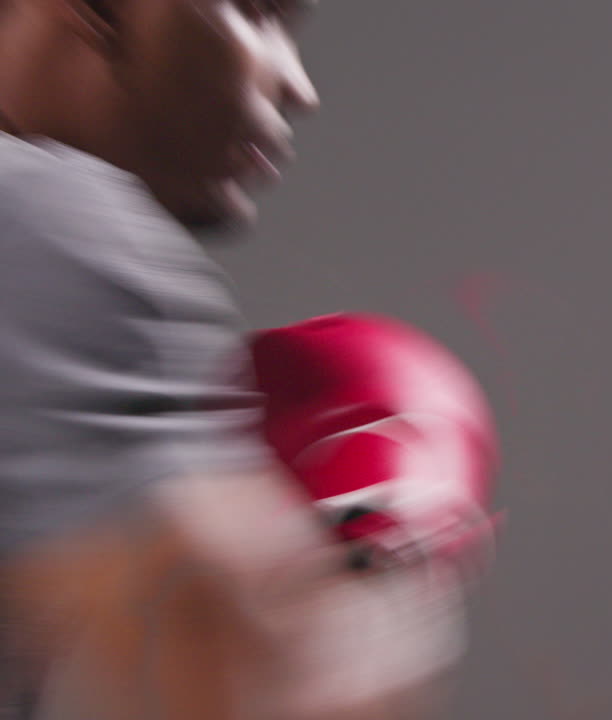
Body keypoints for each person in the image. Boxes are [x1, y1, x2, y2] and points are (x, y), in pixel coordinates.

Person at [0, 1, 494, 718]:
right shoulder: (48, 227)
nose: (300, 85)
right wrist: (383, 550)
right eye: (259, 12)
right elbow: (260, 692)